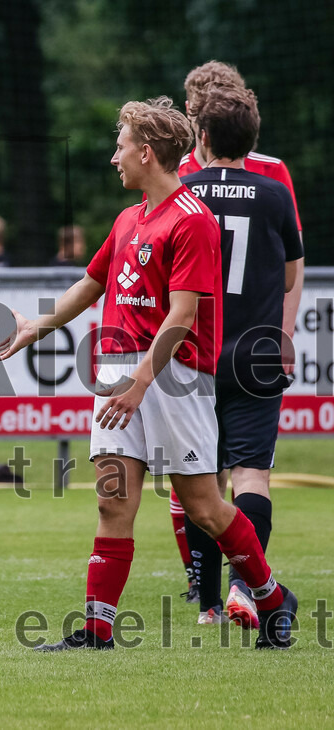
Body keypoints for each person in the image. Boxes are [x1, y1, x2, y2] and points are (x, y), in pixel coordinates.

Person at [0, 97, 297, 651]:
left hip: (174, 379)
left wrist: (140, 382)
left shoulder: (193, 221)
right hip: (119, 374)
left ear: (148, 151)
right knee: (113, 500)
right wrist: (34, 327)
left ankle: (273, 599)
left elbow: (182, 317)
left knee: (204, 507)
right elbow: (90, 286)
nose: (115, 156)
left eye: (121, 144)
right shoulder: (128, 218)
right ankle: (96, 630)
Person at [167, 60, 305, 601]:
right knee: (250, 476)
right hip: (254, 348)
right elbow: (293, 271)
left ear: (200, 127)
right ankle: (245, 590)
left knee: (202, 482)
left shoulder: (182, 185)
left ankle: (209, 602)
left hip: (195, 350)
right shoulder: (271, 190)